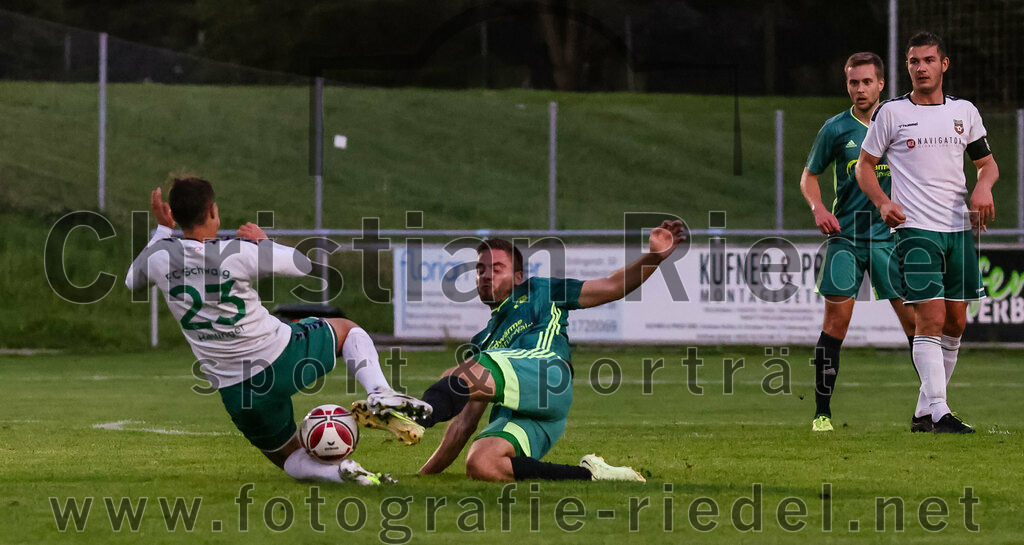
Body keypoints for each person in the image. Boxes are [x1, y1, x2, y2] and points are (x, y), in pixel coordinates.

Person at [126, 177, 431, 483]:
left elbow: (131, 280)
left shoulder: (159, 258)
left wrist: (162, 230)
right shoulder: (236, 252)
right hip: (282, 357)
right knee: (348, 331)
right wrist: (263, 241)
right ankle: (379, 392)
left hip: (236, 388)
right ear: (212, 210)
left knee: (288, 456)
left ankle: (341, 473)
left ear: (175, 215)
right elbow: (301, 264)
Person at [384, 221, 685, 482]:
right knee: (482, 463)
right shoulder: (483, 341)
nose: (486, 275)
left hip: (547, 376)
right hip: (529, 417)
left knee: (458, 374)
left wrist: (653, 258)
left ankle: (416, 414)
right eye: (480, 270)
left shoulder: (540, 291)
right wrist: (423, 476)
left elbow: (610, 286)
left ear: (518, 277)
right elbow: (464, 424)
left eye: (497, 268)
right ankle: (591, 474)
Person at [856, 32, 998, 434]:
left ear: (944, 65)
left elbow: (987, 165)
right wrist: (884, 202)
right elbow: (864, 166)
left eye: (929, 60)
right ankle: (940, 411)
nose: (921, 67)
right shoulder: (892, 113)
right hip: (915, 229)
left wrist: (983, 185)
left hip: (958, 228)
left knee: (956, 323)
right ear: (907, 67)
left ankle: (924, 411)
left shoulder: (964, 112)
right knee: (930, 317)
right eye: (914, 61)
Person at [799, 52, 916, 432]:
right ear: (846, 84)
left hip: (892, 239)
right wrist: (818, 208)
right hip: (845, 237)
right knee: (836, 323)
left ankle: (934, 408)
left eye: (867, 82)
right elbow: (809, 176)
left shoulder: (901, 123)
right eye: (854, 82)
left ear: (881, 84)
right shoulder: (835, 129)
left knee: (916, 325)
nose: (860, 89)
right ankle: (821, 414)